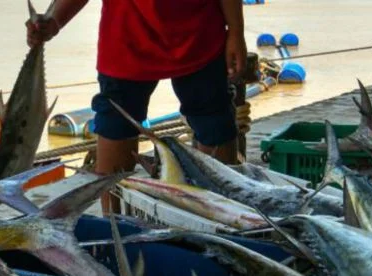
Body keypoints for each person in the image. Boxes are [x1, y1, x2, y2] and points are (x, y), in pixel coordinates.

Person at [27, 0, 246, 213]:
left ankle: (231, 221)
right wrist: (54, 21)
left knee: (214, 124)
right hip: (126, 37)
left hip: (200, 33)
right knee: (116, 125)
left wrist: (236, 31)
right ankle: (114, 226)